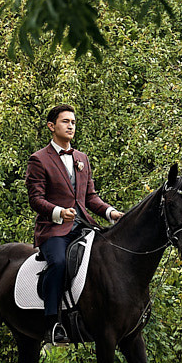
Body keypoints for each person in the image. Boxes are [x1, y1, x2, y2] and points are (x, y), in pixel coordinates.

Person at [26, 103, 115, 344]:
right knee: (59, 263)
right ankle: (52, 323)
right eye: (65, 121)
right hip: (53, 230)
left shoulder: (82, 158)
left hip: (83, 226)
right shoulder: (38, 159)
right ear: (51, 126)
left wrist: (110, 212)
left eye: (73, 122)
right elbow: (36, 199)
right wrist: (58, 212)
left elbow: (90, 197)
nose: (71, 126)